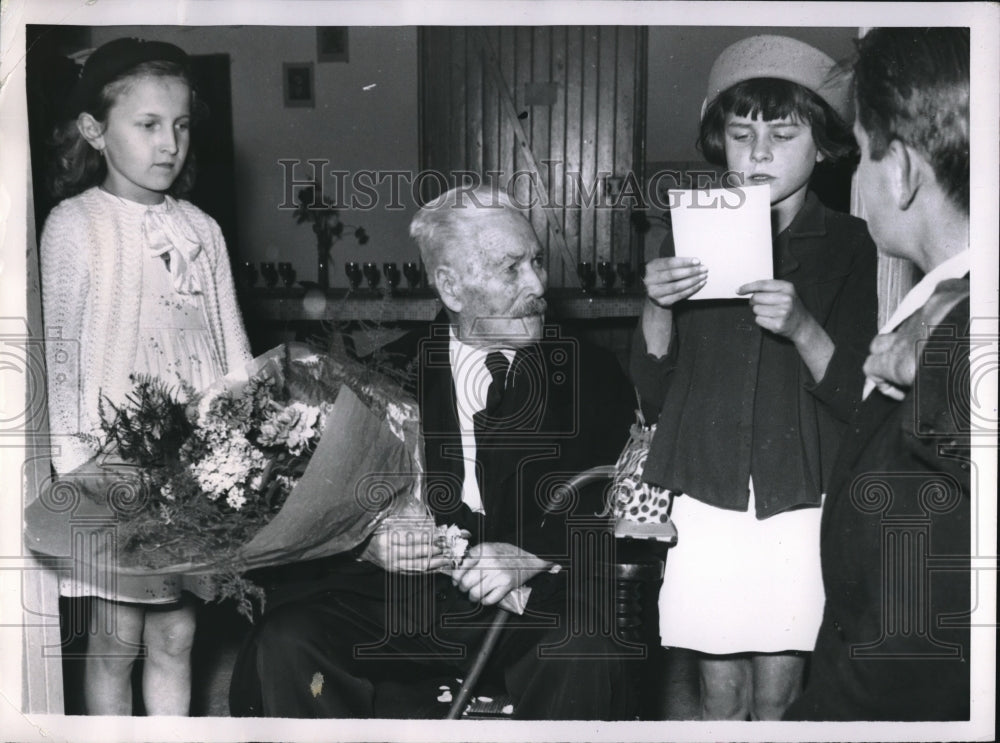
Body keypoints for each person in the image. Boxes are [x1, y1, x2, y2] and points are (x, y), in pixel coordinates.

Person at [229, 186, 638, 719]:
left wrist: (533, 553)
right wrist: (367, 542)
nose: (538, 285)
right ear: (450, 286)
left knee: (587, 649)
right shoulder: (379, 376)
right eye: (511, 269)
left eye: (537, 261)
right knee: (288, 639)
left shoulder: (591, 372)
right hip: (403, 600)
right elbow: (327, 508)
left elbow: (615, 491)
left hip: (531, 602)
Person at [630, 35, 879, 720]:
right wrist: (655, 302)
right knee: (718, 693)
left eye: (782, 133)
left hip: (799, 498)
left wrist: (803, 327)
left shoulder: (854, 245)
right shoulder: (686, 236)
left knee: (779, 693)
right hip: (707, 494)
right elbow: (654, 395)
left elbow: (864, 397)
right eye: (742, 134)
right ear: (722, 143)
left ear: (823, 145)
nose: (760, 152)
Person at [41, 38, 252, 715]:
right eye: (149, 124)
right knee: (114, 638)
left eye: (182, 125)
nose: (171, 143)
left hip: (193, 469)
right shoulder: (75, 225)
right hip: (113, 467)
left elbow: (235, 350)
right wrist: (78, 466)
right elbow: (62, 352)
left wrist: (246, 447)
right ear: (95, 130)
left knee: (177, 631)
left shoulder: (203, 230)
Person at [785, 27, 972, 721]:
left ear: (901, 171)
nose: (854, 177)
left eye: (862, 151)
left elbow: (909, 664)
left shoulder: (957, 341)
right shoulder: (941, 318)